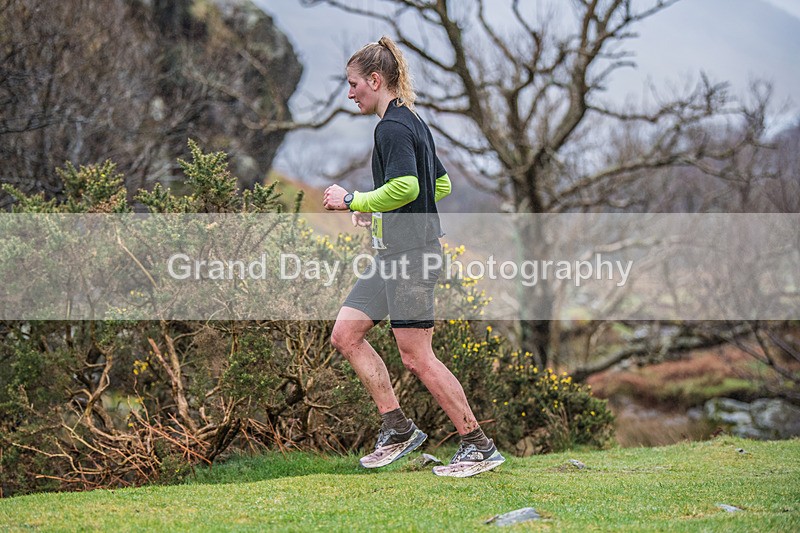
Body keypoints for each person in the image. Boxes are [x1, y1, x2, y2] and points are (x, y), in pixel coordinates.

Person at [322, 36, 504, 478]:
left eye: (353, 85)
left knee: (416, 356)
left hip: (412, 258)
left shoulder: (392, 128)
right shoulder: (413, 123)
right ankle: (398, 428)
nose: (350, 94)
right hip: (393, 254)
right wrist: (382, 216)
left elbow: (409, 188)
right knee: (345, 335)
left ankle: (477, 444)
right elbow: (438, 186)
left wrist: (355, 201)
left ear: (375, 79)